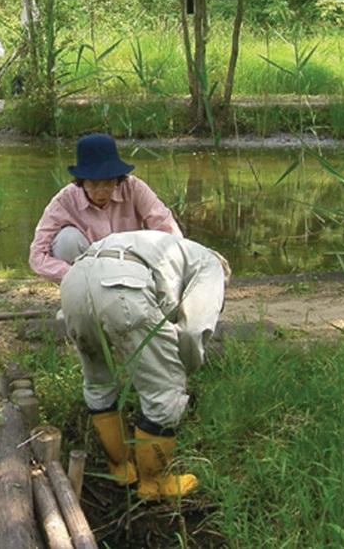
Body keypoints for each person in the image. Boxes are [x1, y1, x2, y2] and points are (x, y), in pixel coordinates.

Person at [59, 229, 230, 501]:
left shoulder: (170, 247)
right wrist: (181, 370)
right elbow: (193, 330)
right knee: (163, 392)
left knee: (99, 381)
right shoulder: (211, 267)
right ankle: (155, 484)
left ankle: (121, 468)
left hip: (74, 282)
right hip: (123, 288)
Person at [29, 133, 182, 283]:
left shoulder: (134, 188)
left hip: (131, 265)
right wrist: (74, 274)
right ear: (82, 182)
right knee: (66, 239)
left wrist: (174, 263)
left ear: (118, 179)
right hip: (85, 273)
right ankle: (81, 297)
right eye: (94, 184)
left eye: (108, 183)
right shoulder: (65, 200)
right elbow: (37, 255)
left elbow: (166, 228)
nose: (101, 191)